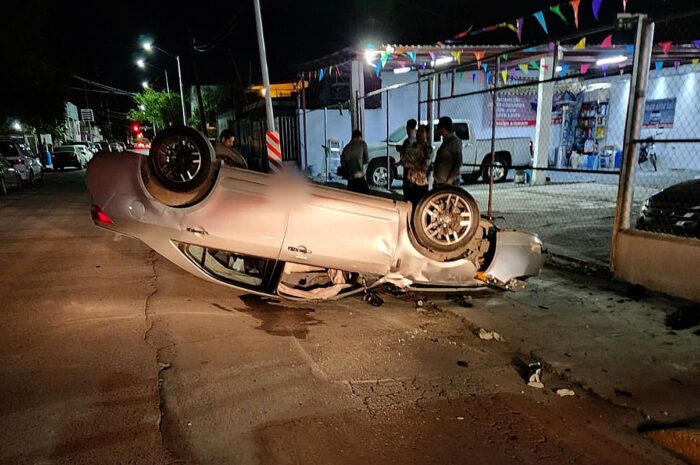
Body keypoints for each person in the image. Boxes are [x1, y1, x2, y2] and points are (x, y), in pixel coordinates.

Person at [402, 125, 432, 210]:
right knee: (408, 205)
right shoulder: (411, 146)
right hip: (410, 181)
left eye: (422, 132)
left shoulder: (428, 149)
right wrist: (417, 162)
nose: (419, 133)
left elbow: (425, 164)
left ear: (427, 134)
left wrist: (413, 161)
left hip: (421, 182)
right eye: (418, 131)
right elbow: (405, 161)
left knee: (420, 206)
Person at [433, 116, 462, 186]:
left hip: (450, 183)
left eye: (439, 127)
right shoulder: (446, 141)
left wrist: (449, 181)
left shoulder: (454, 141)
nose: (437, 129)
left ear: (443, 128)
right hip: (442, 182)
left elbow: (458, 162)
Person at [340, 129, 370, 194]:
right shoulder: (362, 144)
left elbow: (343, 163)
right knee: (366, 200)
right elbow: (366, 160)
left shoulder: (346, 148)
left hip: (350, 181)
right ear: (359, 137)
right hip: (359, 178)